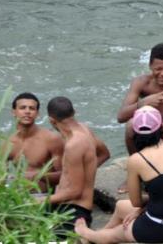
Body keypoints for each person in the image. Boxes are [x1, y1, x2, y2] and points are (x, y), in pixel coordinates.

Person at [75, 106, 163, 244]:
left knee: (114, 235)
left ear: (135, 132)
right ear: (160, 127)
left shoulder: (137, 160)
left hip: (161, 227)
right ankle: (97, 235)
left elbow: (136, 202)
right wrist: (141, 210)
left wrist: (141, 209)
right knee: (120, 206)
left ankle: (85, 232)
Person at [8, 92, 110, 193]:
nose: (27, 111)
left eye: (32, 108)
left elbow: (65, 176)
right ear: (13, 112)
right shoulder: (6, 143)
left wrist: (36, 176)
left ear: (37, 113)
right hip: (18, 198)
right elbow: (0, 177)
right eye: (22, 108)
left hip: (46, 197)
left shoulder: (51, 139)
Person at [44, 96, 100, 235]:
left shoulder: (73, 144)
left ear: (51, 120)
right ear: (74, 112)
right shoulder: (84, 129)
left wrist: (41, 200)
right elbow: (104, 152)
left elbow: (75, 191)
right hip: (66, 204)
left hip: (75, 210)